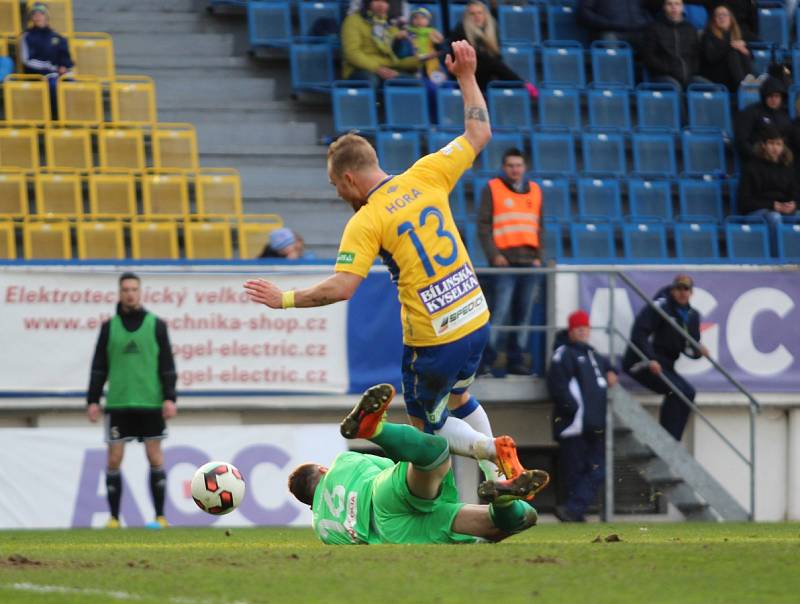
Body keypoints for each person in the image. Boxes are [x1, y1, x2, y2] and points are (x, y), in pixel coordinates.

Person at [245, 41, 509, 482]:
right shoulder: (426, 173)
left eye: (335, 186)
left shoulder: (368, 220)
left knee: (430, 427)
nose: (338, 194)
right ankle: (502, 479)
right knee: (461, 399)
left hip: (434, 336)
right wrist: (466, 77)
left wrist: (284, 299)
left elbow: (342, 287)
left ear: (349, 177)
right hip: (475, 315)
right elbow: (479, 133)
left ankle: (490, 450)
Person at [289, 383, 550, 544]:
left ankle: (502, 498)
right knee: (434, 453)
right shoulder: (341, 462)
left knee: (507, 523)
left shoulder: (320, 526)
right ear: (322, 470)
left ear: (310, 503)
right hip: (380, 495)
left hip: (393, 535)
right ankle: (375, 431)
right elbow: (387, 468)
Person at [86, 272, 177, 529]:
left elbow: (167, 365)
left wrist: (170, 397)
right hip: (118, 403)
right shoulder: (109, 327)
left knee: (155, 457)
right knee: (114, 459)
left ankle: (160, 516)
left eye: (134, 289)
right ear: (119, 292)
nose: (130, 293)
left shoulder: (156, 325)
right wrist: (92, 400)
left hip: (150, 402)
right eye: (125, 289)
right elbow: (99, 366)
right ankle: (114, 518)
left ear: (140, 292)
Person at [477, 148, 542, 376]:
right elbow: (483, 225)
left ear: (525, 168)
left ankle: (516, 361)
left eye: (518, 165)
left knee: (523, 315)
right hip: (504, 263)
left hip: (528, 263)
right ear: (504, 168)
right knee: (500, 313)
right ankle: (487, 361)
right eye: (510, 165)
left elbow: (539, 226)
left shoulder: (535, 190)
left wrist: (538, 257)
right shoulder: (492, 188)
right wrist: (494, 255)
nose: (515, 170)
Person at [547, 310, 617, 523]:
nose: (582, 332)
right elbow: (557, 386)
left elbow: (607, 368)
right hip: (574, 426)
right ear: (570, 331)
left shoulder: (592, 354)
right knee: (574, 474)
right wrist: (573, 410)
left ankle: (572, 510)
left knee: (597, 470)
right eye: (578, 329)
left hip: (594, 425)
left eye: (585, 328)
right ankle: (574, 513)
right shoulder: (564, 354)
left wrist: (613, 371)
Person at [622, 275, 709, 442]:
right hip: (641, 361)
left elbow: (689, 348)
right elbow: (639, 333)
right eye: (679, 289)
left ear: (691, 293)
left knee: (689, 392)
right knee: (675, 391)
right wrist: (650, 358)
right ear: (672, 290)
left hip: (666, 365)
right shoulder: (660, 307)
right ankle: (665, 441)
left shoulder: (692, 315)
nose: (682, 293)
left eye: (686, 289)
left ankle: (672, 441)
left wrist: (699, 351)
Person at [449, 0, 537, 97]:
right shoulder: (461, 30)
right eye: (472, 14)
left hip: (486, 74)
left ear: (485, 14)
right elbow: (482, 58)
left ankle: (518, 86)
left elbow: (496, 56)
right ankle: (522, 84)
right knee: (491, 63)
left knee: (494, 64)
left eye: (480, 13)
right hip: (466, 73)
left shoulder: (491, 28)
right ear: (467, 17)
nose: (477, 16)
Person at [736, 125, 798, 257]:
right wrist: (773, 206)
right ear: (763, 145)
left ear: (783, 147)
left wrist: (793, 204)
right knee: (774, 217)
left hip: (783, 210)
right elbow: (744, 202)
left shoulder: (788, 168)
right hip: (757, 213)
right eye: (771, 143)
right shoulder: (751, 167)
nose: (775, 148)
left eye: (778, 144)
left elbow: (795, 194)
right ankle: (777, 259)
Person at [341, 0, 422, 86]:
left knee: (415, 83)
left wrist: (419, 60)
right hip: (359, 70)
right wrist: (377, 69)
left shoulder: (390, 25)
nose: (381, 5)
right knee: (372, 80)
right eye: (376, 0)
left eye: (385, 2)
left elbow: (394, 60)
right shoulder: (352, 21)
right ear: (368, 2)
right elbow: (352, 53)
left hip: (386, 68)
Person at [642, 0, 709, 93]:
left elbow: (696, 54)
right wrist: (668, 69)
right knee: (675, 87)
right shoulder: (654, 28)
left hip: (689, 77)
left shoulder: (690, 29)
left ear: (682, 7)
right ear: (664, 7)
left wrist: (692, 70)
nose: (673, 7)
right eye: (669, 4)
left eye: (677, 4)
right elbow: (649, 56)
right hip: (664, 76)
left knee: (713, 89)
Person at [19, 2, 74, 116]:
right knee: (53, 85)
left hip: (56, 74)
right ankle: (55, 118)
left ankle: (74, 119)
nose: (38, 16)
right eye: (34, 14)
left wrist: (64, 67)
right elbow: (26, 60)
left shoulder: (57, 37)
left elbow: (66, 57)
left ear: (46, 16)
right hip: (37, 75)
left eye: (41, 13)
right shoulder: (26, 36)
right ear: (31, 18)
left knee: (76, 87)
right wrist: (49, 67)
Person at [734, 75, 792, 162]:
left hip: (780, 162)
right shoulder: (751, 112)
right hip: (756, 162)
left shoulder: (785, 116)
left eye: (777, 96)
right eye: (770, 96)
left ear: (781, 98)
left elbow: (788, 140)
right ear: (764, 96)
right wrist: (758, 156)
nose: (774, 100)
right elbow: (741, 140)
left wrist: (784, 156)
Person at [699, 3, 754, 91]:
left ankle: (750, 82)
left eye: (724, 15)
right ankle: (744, 86)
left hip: (732, 76)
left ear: (731, 18)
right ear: (714, 20)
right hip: (715, 74)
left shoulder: (738, 34)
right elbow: (711, 57)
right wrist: (730, 46)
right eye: (718, 15)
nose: (721, 17)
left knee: (741, 51)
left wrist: (745, 48)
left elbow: (757, 42)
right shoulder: (708, 35)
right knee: (732, 53)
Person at [577, 0, 653, 53]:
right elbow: (584, 14)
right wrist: (607, 24)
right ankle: (615, 74)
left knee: (655, 39)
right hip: (610, 31)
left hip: (638, 30)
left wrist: (645, 22)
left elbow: (648, 9)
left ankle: (661, 75)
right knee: (609, 37)